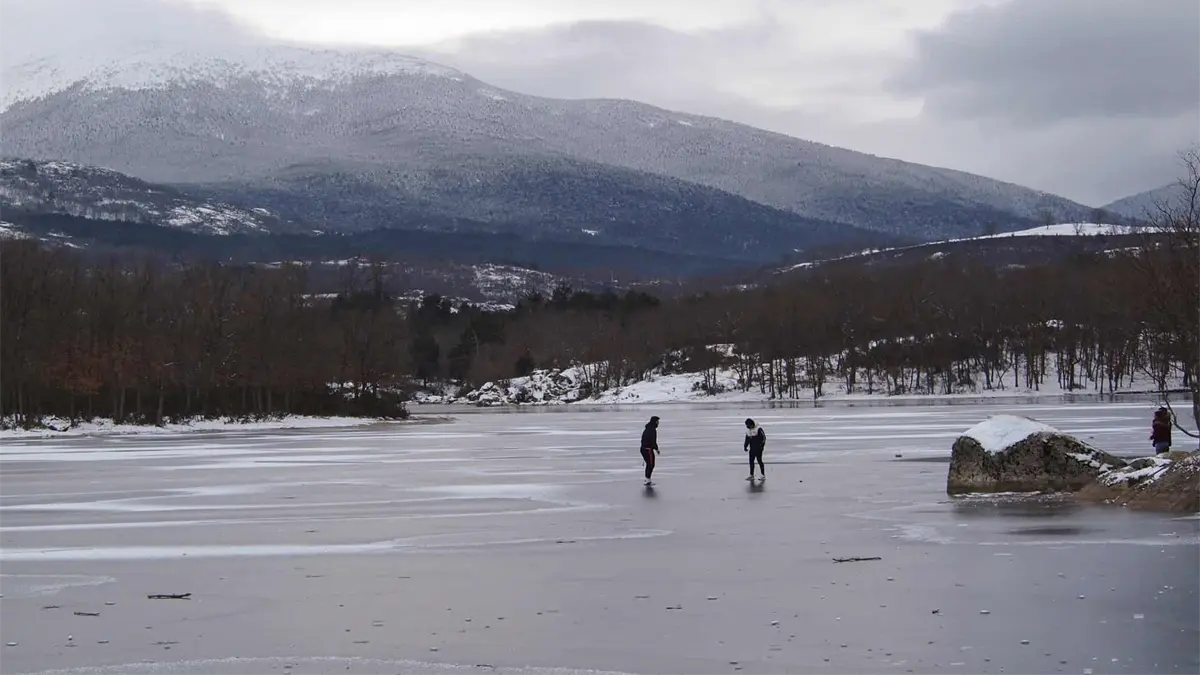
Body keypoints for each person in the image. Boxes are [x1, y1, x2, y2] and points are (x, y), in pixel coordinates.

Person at [640, 416, 661, 485]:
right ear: (655, 422)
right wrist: (656, 449)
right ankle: (647, 480)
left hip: (644, 449)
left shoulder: (648, 428)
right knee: (651, 465)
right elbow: (653, 441)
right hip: (647, 450)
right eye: (657, 421)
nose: (658, 423)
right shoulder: (652, 430)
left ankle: (647, 479)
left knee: (649, 464)